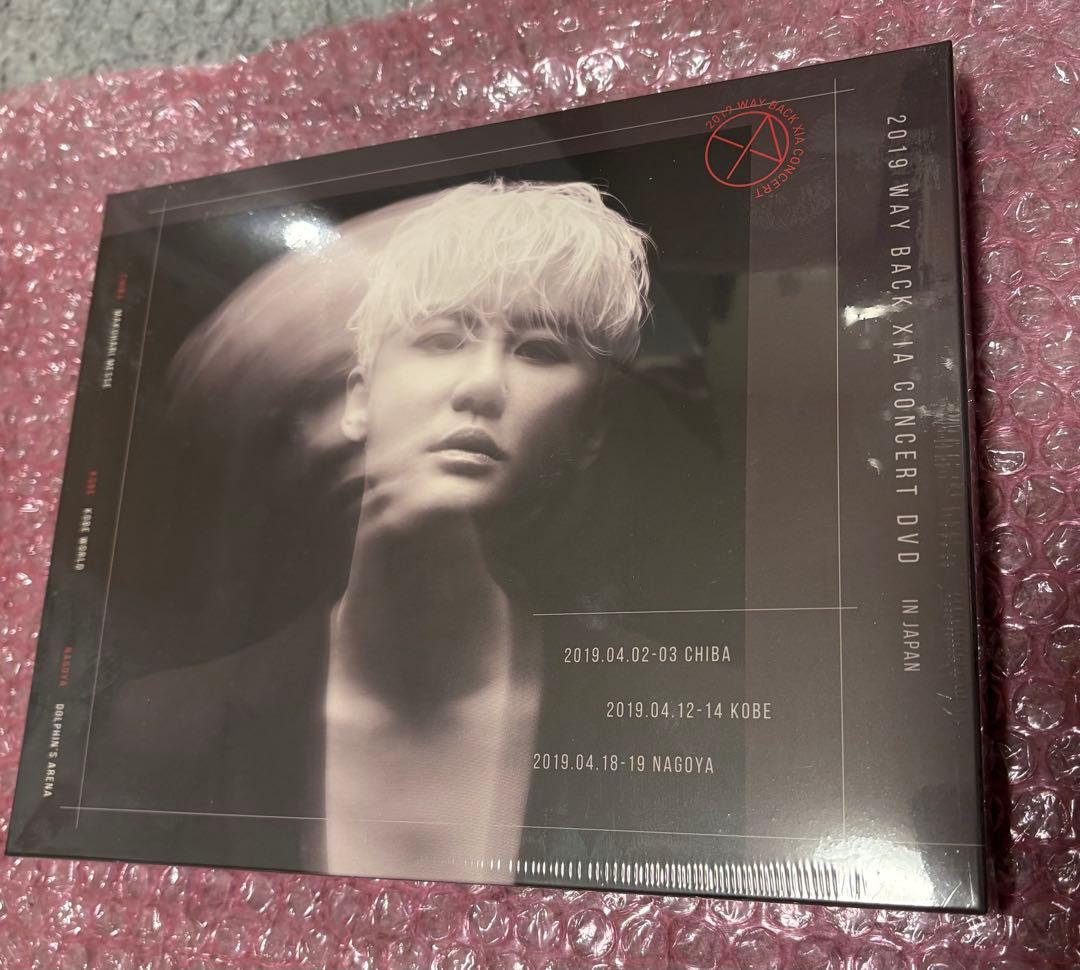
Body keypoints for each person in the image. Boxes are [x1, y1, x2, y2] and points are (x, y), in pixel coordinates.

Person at [92, 178, 654, 882]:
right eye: (442, 338)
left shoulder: (662, 723)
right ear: (358, 398)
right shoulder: (167, 728)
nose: (482, 385)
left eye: (539, 350)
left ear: (590, 430)